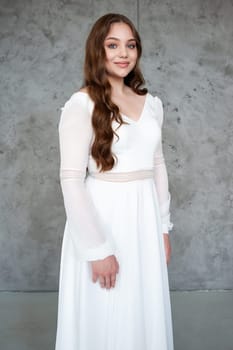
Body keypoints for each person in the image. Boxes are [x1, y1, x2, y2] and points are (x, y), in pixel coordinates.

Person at [55, 13, 174, 350]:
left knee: (141, 307)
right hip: (103, 220)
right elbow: (71, 181)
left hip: (145, 221)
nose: (124, 53)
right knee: (106, 309)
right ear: (98, 50)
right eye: (113, 45)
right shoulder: (82, 104)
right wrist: (97, 249)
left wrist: (163, 227)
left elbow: (158, 164)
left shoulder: (151, 104)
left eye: (130, 45)